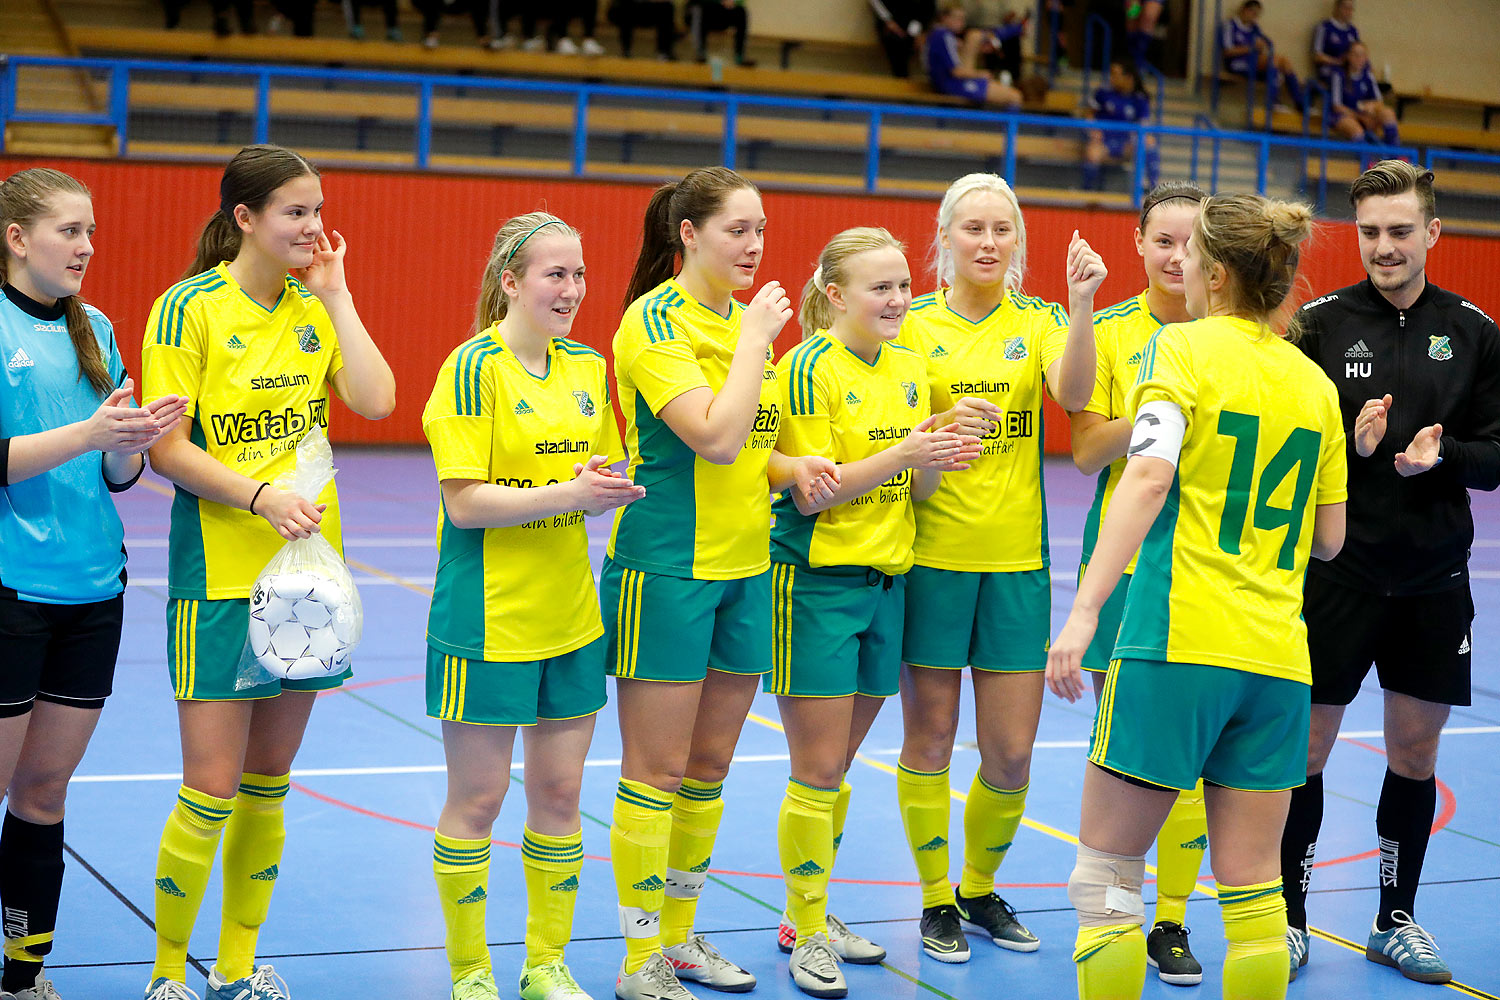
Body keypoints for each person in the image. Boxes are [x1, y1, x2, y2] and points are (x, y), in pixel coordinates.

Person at [1046, 192, 1347, 1000]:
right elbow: (1330, 539)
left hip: (1177, 640)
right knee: (1256, 898)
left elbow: (1145, 476)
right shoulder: (1316, 387)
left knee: (1107, 881)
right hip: (1279, 658)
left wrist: (1082, 613)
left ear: (1215, 272)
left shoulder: (1178, 351)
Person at [139, 144, 396, 1000]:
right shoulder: (187, 310)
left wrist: (339, 297)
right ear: (244, 218)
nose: (314, 228)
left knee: (266, 786)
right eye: (295, 211)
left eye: (319, 212)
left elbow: (377, 399)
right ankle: (169, 974)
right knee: (209, 788)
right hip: (218, 577)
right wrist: (256, 496)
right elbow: (168, 449)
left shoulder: (312, 308)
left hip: (308, 584)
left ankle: (241, 968)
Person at [602, 166, 846, 1000]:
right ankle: (637, 960)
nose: (753, 246)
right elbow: (710, 435)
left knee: (707, 768)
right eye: (738, 229)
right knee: (656, 770)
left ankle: (677, 941)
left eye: (762, 230)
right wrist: (751, 346)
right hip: (667, 570)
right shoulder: (653, 322)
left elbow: (748, 446)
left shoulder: (747, 324)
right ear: (690, 235)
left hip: (747, 568)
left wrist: (791, 464)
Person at [1279, 160, 1500, 987]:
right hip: (1337, 574)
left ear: (1433, 233)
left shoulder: (1474, 331)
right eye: (1369, 231)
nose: (1384, 246)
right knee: (1304, 750)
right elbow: (1288, 447)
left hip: (1435, 584)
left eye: (1400, 231)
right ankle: (1291, 920)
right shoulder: (1320, 325)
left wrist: (1442, 461)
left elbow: (1498, 453)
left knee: (1414, 753)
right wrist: (1352, 444)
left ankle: (1392, 920)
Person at [421, 212, 644, 1000]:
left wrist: (600, 485)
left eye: (580, 274)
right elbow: (466, 503)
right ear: (510, 282)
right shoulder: (470, 368)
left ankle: (546, 964)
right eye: (555, 274)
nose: (572, 290)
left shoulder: (587, 366)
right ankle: (470, 972)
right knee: (477, 801)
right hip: (487, 621)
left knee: (558, 796)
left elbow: (584, 471)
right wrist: (573, 493)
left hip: (572, 620)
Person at [893, 172, 1102, 963]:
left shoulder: (1041, 320)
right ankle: (935, 900)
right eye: (972, 228)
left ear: (1018, 243)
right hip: (931, 559)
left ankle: (978, 887)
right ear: (943, 237)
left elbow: (1074, 391)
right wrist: (939, 424)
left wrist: (1081, 308)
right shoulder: (908, 323)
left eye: (1002, 230)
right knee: (933, 737)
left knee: (1011, 754)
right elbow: (891, 428)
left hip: (1016, 565)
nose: (987, 242)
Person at [769, 228, 981, 997]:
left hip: (887, 582)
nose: (898, 301)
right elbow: (811, 489)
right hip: (817, 584)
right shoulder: (806, 369)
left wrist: (943, 450)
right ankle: (804, 927)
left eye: (902, 286)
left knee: (837, 769)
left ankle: (811, 913)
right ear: (834, 297)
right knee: (817, 769)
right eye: (880, 288)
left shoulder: (911, 369)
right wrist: (906, 453)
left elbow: (915, 489)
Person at [0, 168, 185, 1000]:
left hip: (91, 592)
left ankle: (22, 973)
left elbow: (116, 476)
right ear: (16, 237)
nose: (86, 246)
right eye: (70, 230)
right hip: (10, 589)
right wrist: (88, 431)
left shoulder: (96, 325)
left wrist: (131, 440)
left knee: (42, 790)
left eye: (91, 232)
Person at [1066, 180, 1207, 988]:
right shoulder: (1115, 333)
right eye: (1164, 240)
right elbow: (1087, 451)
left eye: (1194, 242)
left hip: (1208, 565)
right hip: (1124, 563)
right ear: (1139, 243)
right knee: (1123, 753)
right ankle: (1112, 918)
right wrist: (1173, 407)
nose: (1178, 256)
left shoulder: (1239, 335)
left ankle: (1173, 921)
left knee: (1188, 757)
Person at [924, 4, 1022, 108]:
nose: (961, 22)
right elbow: (956, 71)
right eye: (957, 18)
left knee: (974, 35)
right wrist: (980, 74)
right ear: (944, 18)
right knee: (1014, 96)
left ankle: (1016, 29)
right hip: (952, 85)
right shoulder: (943, 35)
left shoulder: (944, 35)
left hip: (950, 83)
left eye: (963, 18)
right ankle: (1010, 124)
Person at [1083, 61, 1159, 192]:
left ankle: (1153, 188)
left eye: (1116, 74)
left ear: (1128, 78)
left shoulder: (1139, 99)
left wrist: (1140, 138)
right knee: (1092, 152)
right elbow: (1088, 114)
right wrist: (1093, 130)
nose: (1111, 78)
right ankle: (1087, 192)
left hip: (1126, 143)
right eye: (1111, 73)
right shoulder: (1103, 93)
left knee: (1149, 142)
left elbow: (1144, 126)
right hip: (1104, 141)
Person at [1219, 0, 1306, 113]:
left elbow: (1267, 44)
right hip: (1237, 63)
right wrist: (1251, 47)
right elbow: (1228, 51)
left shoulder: (1254, 28)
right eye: (1252, 13)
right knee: (1273, 62)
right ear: (1244, 10)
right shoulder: (1230, 25)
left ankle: (1300, 103)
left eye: (1257, 15)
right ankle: (1273, 102)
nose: (1254, 17)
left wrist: (1263, 45)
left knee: (1284, 62)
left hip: (1253, 63)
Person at [1328, 43, 1397, 146]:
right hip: (1343, 116)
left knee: (1388, 113)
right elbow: (1337, 106)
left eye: (1362, 55)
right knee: (1356, 129)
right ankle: (1366, 160)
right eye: (1355, 55)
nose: (1359, 58)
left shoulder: (1368, 75)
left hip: (1364, 115)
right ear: (1348, 56)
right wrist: (1360, 117)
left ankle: (1394, 155)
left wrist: (1371, 105)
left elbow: (1379, 101)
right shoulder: (1339, 75)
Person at [868, 0, 935, 78]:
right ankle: (902, 78)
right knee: (896, 44)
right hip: (891, 25)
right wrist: (888, 21)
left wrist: (915, 32)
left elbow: (929, 8)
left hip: (917, 26)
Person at [687, 0, 751, 66]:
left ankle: (739, 56)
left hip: (724, 10)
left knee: (741, 11)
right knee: (699, 9)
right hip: (706, 8)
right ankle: (700, 53)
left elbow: (740, 2)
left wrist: (733, 1)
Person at [1311, 0, 1359, 89]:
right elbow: (1317, 56)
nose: (1349, 12)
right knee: (1341, 77)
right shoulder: (1324, 27)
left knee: (1364, 77)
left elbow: (1359, 51)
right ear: (1338, 8)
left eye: (1351, 9)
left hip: (1348, 70)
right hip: (1330, 70)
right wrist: (1338, 62)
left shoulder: (1353, 30)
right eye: (1346, 8)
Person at [608, 0, 678, 60]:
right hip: (630, 7)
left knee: (667, 8)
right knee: (625, 8)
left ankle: (664, 52)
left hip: (652, 7)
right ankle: (626, 50)